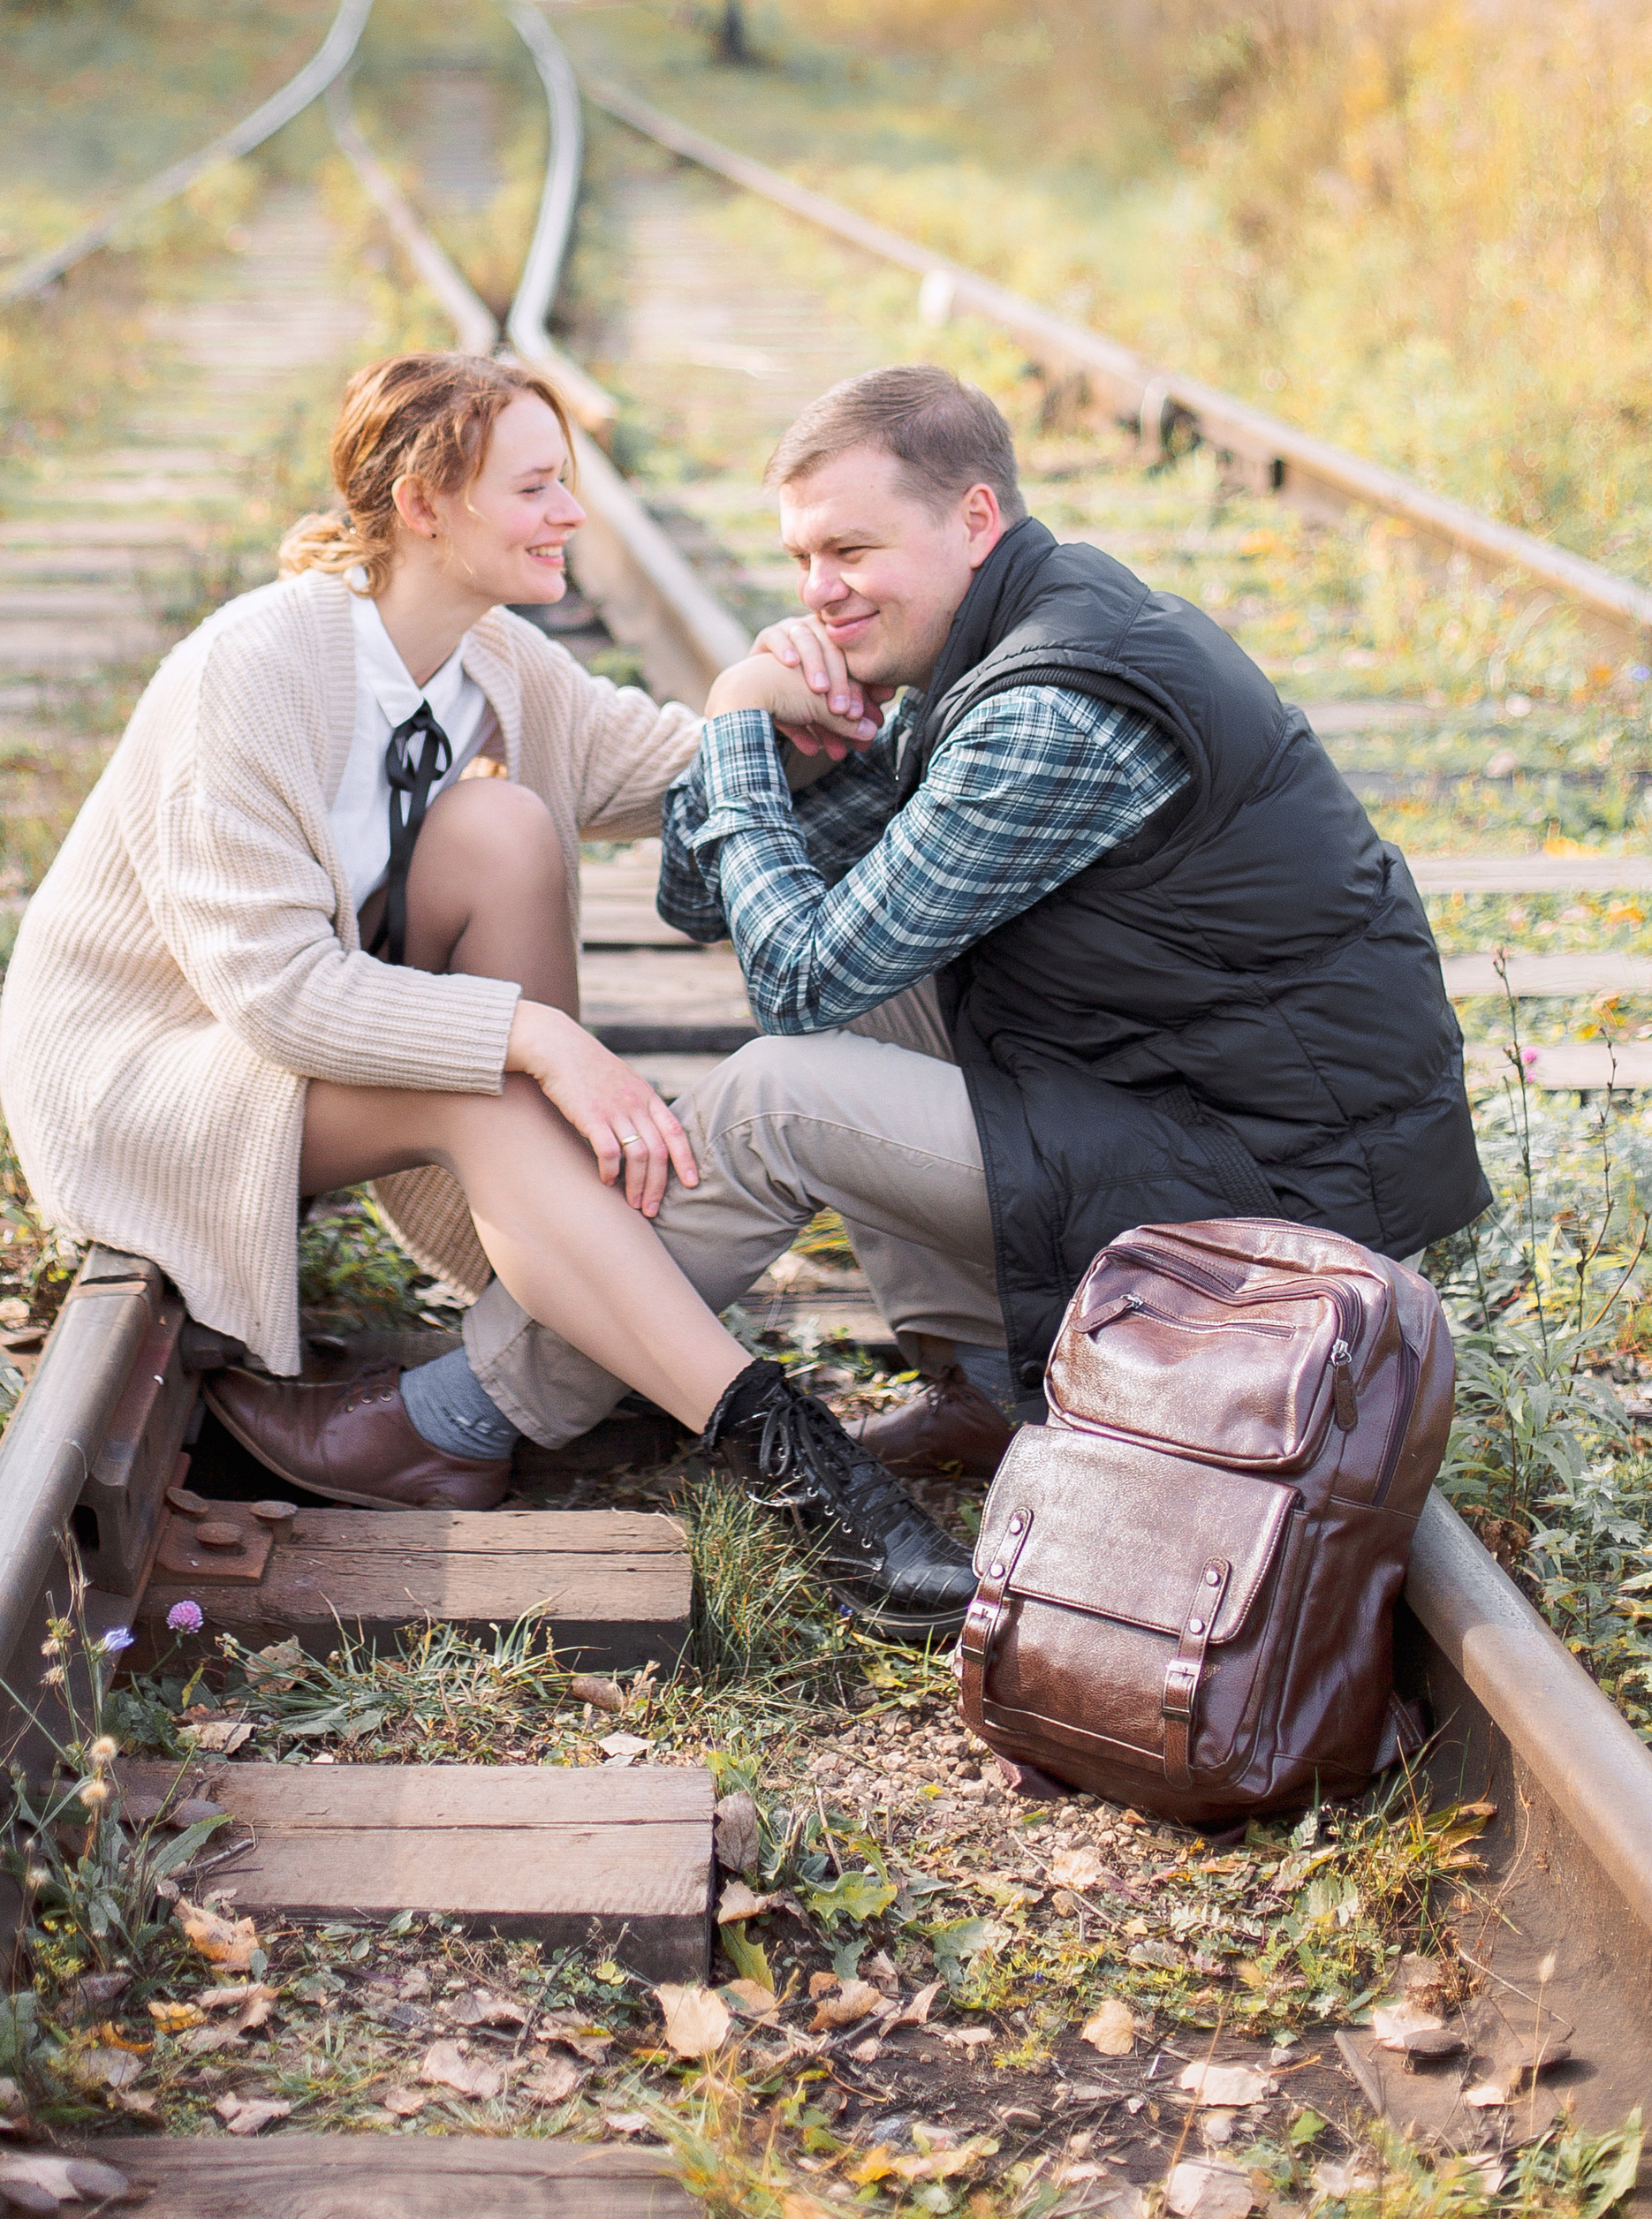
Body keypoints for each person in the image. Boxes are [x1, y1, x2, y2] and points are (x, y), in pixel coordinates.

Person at [0, 352, 979, 1634]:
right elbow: (276, 995)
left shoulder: (493, 661)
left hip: (295, 1052)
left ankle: (571, 1300)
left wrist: (766, 696)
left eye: (564, 484)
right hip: (151, 1075)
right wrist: (538, 1040)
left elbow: (678, 769)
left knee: (505, 826)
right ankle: (808, 1477)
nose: (570, 513)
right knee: (495, 1089)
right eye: (535, 488)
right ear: (423, 503)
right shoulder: (253, 669)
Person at [401, 361, 1489, 1491]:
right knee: (872, 971)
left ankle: (465, 1418)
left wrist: (729, 720)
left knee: (779, 1094)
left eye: (852, 552)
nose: (818, 592)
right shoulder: (1004, 636)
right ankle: (981, 1390)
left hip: (1285, 1201)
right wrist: (774, 744)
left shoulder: (1048, 709)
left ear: (975, 519)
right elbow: (702, 903)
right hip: (1194, 1111)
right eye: (802, 560)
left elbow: (794, 984)